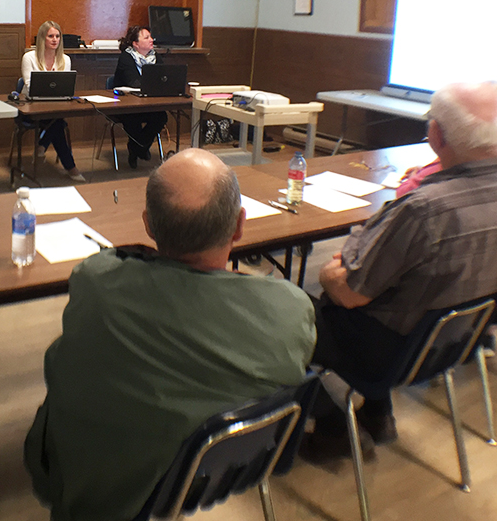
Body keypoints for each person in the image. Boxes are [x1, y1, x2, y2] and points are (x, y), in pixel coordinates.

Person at [24, 148, 316, 521]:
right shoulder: (291, 310)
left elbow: (63, 364)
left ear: (148, 224)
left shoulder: (98, 282)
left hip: (103, 495)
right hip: (222, 475)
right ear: (240, 226)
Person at [302, 82, 497, 463]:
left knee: (287, 310)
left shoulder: (424, 209)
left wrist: (331, 267)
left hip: (384, 352)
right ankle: (378, 413)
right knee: (406, 295)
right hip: (450, 347)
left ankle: (331, 429)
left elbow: (348, 291)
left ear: (435, 134)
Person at [20, 20, 84, 182]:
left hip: (55, 105)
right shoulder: (29, 57)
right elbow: (29, 84)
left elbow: (64, 86)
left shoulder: (65, 59)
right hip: (30, 106)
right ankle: (70, 167)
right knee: (58, 123)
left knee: (56, 120)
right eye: (50, 36)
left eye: (57, 36)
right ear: (42, 38)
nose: (55, 39)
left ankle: (42, 146)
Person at [113, 25, 168, 168]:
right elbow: (133, 82)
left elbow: (163, 79)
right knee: (132, 119)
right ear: (135, 44)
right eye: (146, 37)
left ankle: (137, 147)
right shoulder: (126, 57)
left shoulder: (156, 57)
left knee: (161, 116)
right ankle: (140, 148)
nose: (151, 40)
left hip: (149, 103)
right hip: (126, 104)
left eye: (151, 37)